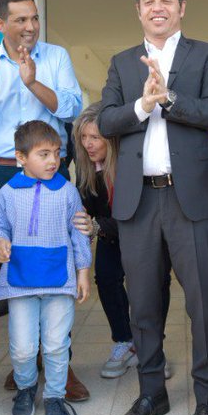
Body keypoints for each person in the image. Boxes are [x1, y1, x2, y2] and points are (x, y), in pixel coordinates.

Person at [99, 0, 208, 415]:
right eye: (149, 1)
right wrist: (141, 104)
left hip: (190, 198)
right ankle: (151, 395)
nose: (158, 7)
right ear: (138, 10)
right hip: (138, 202)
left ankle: (207, 402)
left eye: (167, 0)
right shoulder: (120, 62)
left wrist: (169, 99)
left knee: (203, 305)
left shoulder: (206, 55)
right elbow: (106, 119)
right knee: (145, 307)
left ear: (181, 8)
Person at [0, 0, 82, 340]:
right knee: (11, 269)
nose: (31, 26)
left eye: (35, 18)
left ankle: (61, 360)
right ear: (1, 23)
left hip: (48, 172)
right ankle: (23, 361)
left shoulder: (55, 57)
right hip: (0, 173)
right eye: (21, 19)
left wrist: (32, 82)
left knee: (56, 262)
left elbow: (70, 108)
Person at [0, 121, 91, 415]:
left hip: (59, 280)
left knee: (57, 344)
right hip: (20, 282)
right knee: (22, 347)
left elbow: (79, 234)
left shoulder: (67, 191)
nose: (52, 161)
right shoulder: (7, 193)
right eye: (43, 154)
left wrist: (83, 272)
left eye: (57, 153)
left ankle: (56, 397)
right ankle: (25, 389)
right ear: (21, 157)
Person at [72, 105, 136, 378]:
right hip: (108, 236)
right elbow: (86, 209)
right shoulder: (86, 168)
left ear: (110, 138)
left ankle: (149, 347)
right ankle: (124, 341)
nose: (88, 144)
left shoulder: (128, 165)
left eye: (94, 137)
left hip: (134, 234)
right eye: (84, 137)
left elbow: (131, 215)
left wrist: (96, 225)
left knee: (147, 288)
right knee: (107, 280)